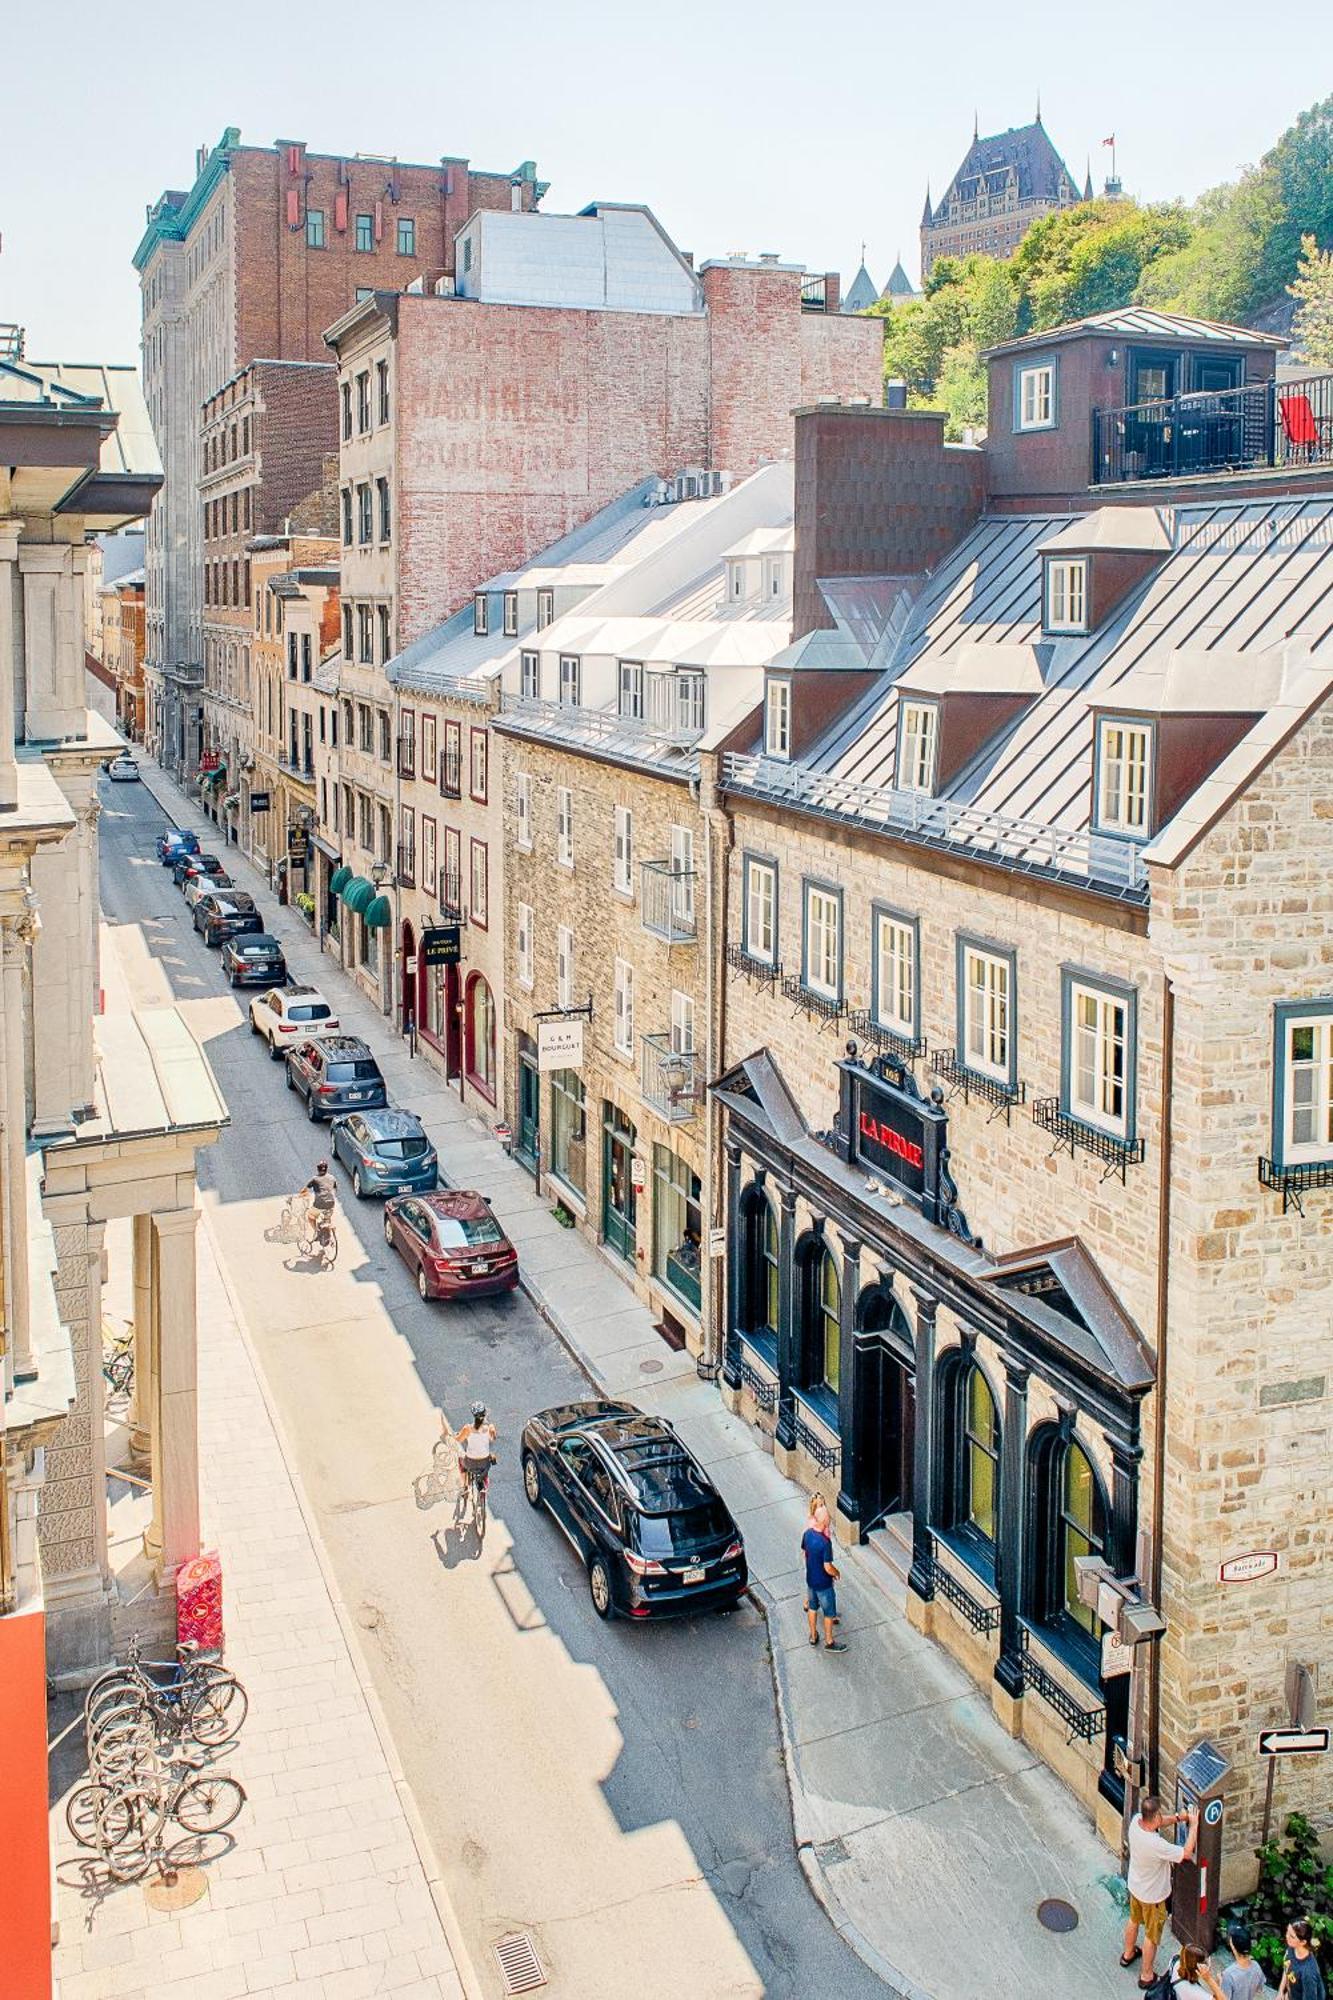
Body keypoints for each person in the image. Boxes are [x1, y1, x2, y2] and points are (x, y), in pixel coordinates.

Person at [1121, 1794, 1198, 1988]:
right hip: (1153, 1896)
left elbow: (1160, 1821)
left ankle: (1128, 1954)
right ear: (1155, 1817)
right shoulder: (1157, 1845)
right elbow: (1186, 1853)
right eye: (1159, 1815)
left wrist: (1180, 1818)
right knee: (1151, 1935)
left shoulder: (1135, 1822)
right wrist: (1194, 1825)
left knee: (1133, 1919)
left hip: (1136, 1886)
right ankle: (1147, 1975)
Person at [801, 1507, 844, 1652]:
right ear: (825, 1520)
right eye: (828, 1517)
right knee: (829, 1613)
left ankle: (813, 1636)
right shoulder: (825, 1543)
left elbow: (804, 1553)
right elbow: (828, 1567)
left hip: (811, 1580)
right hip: (824, 1584)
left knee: (812, 1607)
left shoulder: (807, 1534)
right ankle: (829, 1642)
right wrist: (836, 1572)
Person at [456, 1401, 496, 1501]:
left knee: (461, 1459)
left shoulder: (467, 1428)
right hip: (484, 1463)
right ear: (485, 1413)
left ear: (473, 1415)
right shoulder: (489, 1428)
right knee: (485, 1467)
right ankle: (483, 1484)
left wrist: (455, 1435)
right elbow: (492, 1439)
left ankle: (465, 1487)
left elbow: (459, 1440)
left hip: (470, 1462)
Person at [1279, 1920, 1326, 2000]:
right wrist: (1281, 1992)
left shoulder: (1308, 1973)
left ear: (1303, 1942)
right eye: (1287, 1931)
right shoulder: (1292, 1947)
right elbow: (1287, 1968)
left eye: (1292, 1936)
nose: (1287, 1936)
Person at [1221, 1924, 1267, 2000]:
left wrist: (1220, 1982)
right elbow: (1259, 1988)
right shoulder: (1256, 1966)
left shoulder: (1228, 1974)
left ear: (1232, 1946)